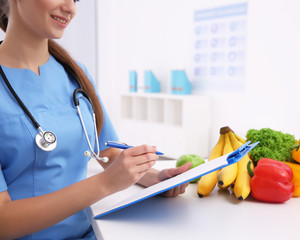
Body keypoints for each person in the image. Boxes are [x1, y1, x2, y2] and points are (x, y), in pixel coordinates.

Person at [0, 0, 191, 239]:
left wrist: (153, 178)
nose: (70, 8)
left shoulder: (75, 74)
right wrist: (104, 184)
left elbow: (107, 152)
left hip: (92, 233)